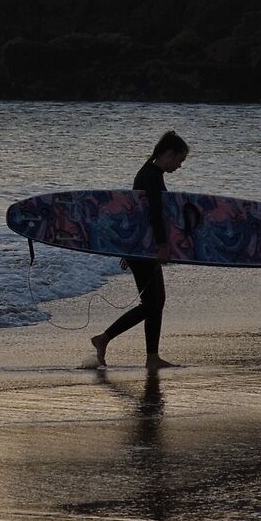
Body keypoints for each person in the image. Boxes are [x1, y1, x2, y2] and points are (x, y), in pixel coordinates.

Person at [91, 130, 189, 369]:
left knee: (156, 302)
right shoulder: (151, 176)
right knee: (152, 303)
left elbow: (136, 215)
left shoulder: (150, 173)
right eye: (180, 160)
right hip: (147, 249)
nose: (180, 165)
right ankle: (104, 339)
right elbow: (154, 212)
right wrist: (163, 245)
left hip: (142, 248)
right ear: (168, 153)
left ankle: (152, 356)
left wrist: (130, 248)